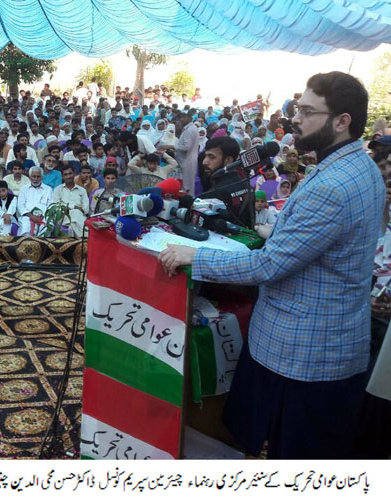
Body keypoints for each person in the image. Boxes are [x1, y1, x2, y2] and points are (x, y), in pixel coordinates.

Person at [158, 72, 384, 459]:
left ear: (342, 121)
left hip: (301, 354)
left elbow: (269, 267)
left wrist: (196, 256)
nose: (295, 118)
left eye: (308, 111)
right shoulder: (360, 168)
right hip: (329, 342)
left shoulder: (334, 185)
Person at [52, 164, 89, 236]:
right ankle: (85, 238)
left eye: (70, 173)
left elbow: (86, 210)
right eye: (65, 174)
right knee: (76, 212)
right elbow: (56, 207)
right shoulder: (58, 190)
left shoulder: (82, 190)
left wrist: (70, 208)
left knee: (72, 226)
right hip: (63, 217)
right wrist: (75, 207)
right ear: (62, 177)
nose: (68, 176)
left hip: (79, 217)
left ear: (74, 174)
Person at [17, 166, 53, 236]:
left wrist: (42, 216)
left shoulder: (48, 189)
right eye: (33, 176)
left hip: (44, 217)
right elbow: (21, 206)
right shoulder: (23, 189)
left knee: (45, 227)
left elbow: (50, 206)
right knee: (26, 227)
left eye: (38, 176)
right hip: (27, 216)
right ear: (30, 177)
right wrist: (31, 216)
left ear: (42, 177)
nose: (35, 179)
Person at [174, 111, 200, 195]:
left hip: (187, 161)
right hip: (189, 160)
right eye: (181, 117)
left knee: (186, 186)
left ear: (190, 118)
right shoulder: (191, 128)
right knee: (188, 184)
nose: (181, 119)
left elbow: (186, 147)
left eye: (184, 117)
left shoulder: (190, 130)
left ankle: (187, 203)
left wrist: (173, 147)